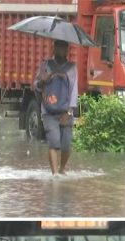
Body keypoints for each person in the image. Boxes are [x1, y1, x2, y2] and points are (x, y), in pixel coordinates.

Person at [34, 39, 77, 176]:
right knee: (54, 142)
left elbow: (74, 91)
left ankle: (61, 169)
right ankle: (55, 175)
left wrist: (69, 112)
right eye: (57, 48)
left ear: (67, 50)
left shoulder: (72, 68)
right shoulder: (45, 65)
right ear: (53, 49)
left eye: (63, 48)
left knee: (66, 146)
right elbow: (35, 86)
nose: (60, 50)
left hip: (65, 111)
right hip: (48, 111)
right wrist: (43, 80)